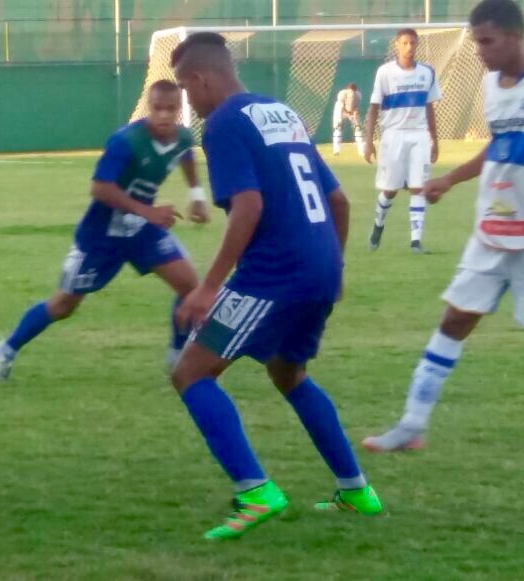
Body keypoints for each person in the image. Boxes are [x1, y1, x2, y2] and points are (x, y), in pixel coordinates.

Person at [169, 32, 382, 541]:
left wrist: (208, 288)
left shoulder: (221, 125)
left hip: (275, 273)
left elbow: (249, 208)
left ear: (200, 79)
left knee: (191, 373)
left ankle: (255, 491)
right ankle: (355, 491)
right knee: (289, 373)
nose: (187, 101)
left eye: (184, 87)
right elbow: (341, 201)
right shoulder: (281, 112)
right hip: (320, 266)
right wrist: (335, 268)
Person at [363, 0, 524, 452]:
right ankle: (413, 424)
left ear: (515, 36)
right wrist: (451, 179)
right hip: (493, 229)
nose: (480, 51)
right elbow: (500, 144)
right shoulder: (492, 85)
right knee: (454, 320)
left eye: (487, 41)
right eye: (476, 42)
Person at [0, 80, 209, 383]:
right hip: (101, 234)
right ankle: (8, 347)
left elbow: (185, 155)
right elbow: (100, 188)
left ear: (179, 109)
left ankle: (177, 359)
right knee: (63, 305)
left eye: (171, 109)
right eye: (157, 109)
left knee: (190, 287)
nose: (164, 116)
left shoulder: (183, 137)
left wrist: (196, 194)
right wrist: (148, 211)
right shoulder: (126, 141)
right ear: (148, 107)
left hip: (142, 230)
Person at [363, 28, 442, 253]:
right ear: (396, 45)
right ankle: (378, 226)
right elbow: (373, 108)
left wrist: (435, 140)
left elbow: (429, 107)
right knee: (390, 190)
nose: (409, 47)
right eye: (405, 43)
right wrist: (369, 141)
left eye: (413, 43)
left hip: (418, 135)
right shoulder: (385, 73)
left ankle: (415, 241)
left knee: (418, 187)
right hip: (393, 134)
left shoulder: (427, 72)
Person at [332, 82, 365, 156]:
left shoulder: (358, 95)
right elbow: (341, 107)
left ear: (355, 91)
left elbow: (356, 107)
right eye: (350, 91)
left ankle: (361, 151)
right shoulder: (342, 94)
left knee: (358, 128)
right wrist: (347, 115)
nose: (351, 93)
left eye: (353, 91)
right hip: (340, 110)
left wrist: (354, 114)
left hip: (351, 110)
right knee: (338, 128)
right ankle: (336, 150)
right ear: (347, 90)